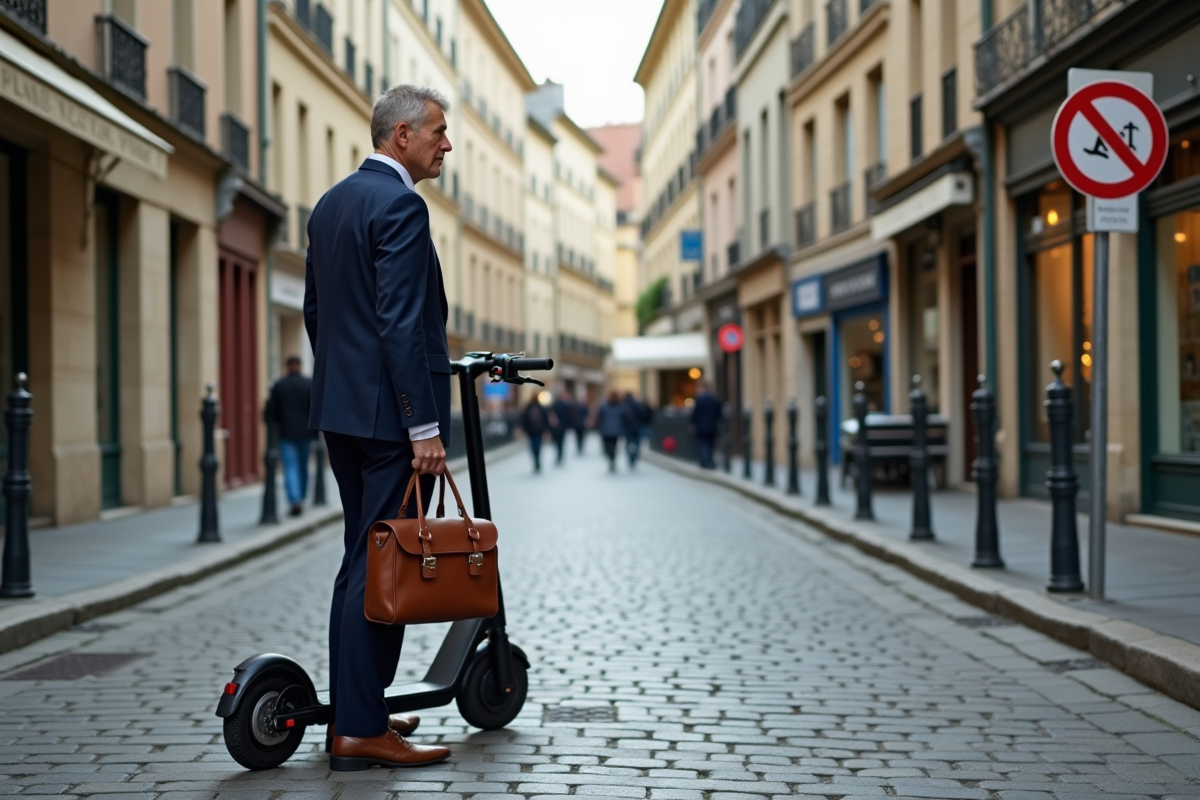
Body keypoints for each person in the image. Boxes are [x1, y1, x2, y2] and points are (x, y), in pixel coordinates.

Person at [304, 84, 452, 771]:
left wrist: (346, 387)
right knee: (378, 564)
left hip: (344, 410)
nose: (446, 145)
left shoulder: (330, 204)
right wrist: (422, 426)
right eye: (438, 132)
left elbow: (317, 314)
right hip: (392, 420)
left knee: (363, 560)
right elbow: (399, 321)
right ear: (402, 135)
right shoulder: (401, 204)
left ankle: (360, 708)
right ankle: (361, 729)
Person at [267, 355, 314, 516]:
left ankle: (295, 499)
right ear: (300, 366)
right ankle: (301, 497)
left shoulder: (280, 385)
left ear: (287, 366)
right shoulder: (308, 384)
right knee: (303, 466)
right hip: (306, 432)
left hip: (286, 432)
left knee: (290, 467)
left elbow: (272, 411)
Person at [596, 390, 632, 473]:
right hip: (615, 430)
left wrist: (598, 427)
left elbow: (599, 418)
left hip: (606, 430)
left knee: (608, 446)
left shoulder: (604, 406)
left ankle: (611, 458)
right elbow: (627, 418)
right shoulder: (621, 406)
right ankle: (612, 458)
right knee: (613, 446)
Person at [690, 381, 723, 470]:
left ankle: (704, 462)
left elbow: (695, 413)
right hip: (713, 426)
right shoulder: (715, 399)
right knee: (711, 444)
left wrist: (692, 423)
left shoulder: (700, 400)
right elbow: (719, 413)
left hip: (701, 426)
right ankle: (709, 461)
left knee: (703, 444)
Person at [519, 396, 552, 473]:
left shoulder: (541, 408)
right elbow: (524, 419)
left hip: (539, 431)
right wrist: (522, 429)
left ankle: (537, 460)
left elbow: (545, 420)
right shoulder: (528, 408)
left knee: (537, 446)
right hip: (530, 431)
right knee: (532, 447)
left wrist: (547, 431)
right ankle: (536, 461)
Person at [550, 389, 575, 465]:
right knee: (561, 442)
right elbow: (570, 417)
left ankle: (559, 456)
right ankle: (560, 455)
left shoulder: (555, 405)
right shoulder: (566, 405)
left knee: (557, 442)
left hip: (557, 426)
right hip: (562, 427)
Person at [622, 392, 644, 468]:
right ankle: (634, 454)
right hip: (637, 426)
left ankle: (630, 456)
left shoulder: (624, 405)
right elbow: (642, 414)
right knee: (636, 442)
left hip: (627, 427)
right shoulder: (637, 404)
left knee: (629, 442)